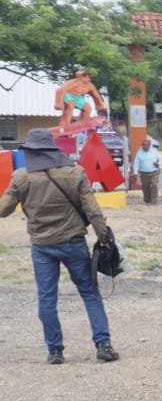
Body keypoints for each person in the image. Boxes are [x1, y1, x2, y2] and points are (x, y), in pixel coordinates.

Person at [0, 129, 120, 364]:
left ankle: (55, 351)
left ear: (30, 152)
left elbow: (3, 210)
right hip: (73, 242)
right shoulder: (75, 173)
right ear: (54, 150)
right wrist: (104, 238)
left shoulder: (21, 176)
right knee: (90, 293)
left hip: (42, 246)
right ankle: (103, 344)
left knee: (47, 298)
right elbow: (93, 211)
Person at [132, 137, 162, 204]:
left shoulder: (154, 151)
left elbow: (160, 159)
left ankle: (154, 199)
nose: (144, 147)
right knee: (145, 186)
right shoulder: (139, 152)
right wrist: (135, 172)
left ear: (149, 145)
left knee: (154, 184)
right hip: (144, 173)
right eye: (143, 145)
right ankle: (147, 199)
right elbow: (136, 162)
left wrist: (158, 163)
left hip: (154, 172)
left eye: (146, 145)